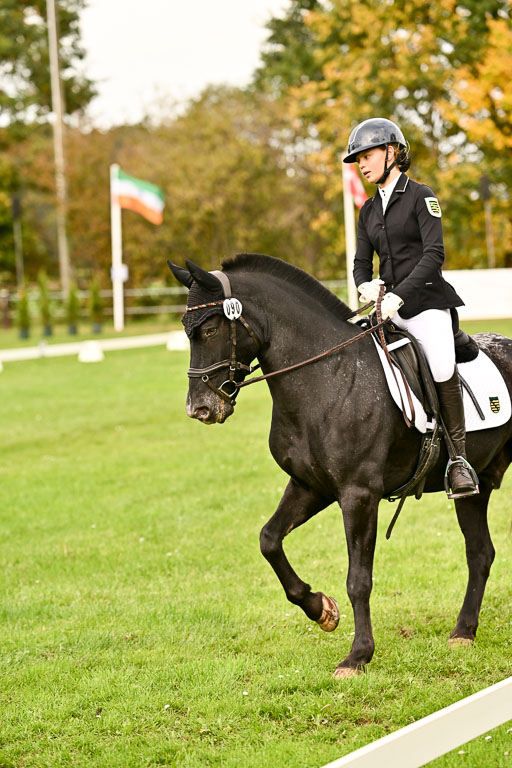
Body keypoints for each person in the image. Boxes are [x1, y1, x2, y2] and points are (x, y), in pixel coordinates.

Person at [343, 117, 478, 498]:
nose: (362, 165)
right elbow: (360, 262)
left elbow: (435, 253)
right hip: (388, 307)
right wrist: (363, 284)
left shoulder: (421, 195)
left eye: (367, 156)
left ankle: (459, 460)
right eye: (358, 160)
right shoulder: (367, 211)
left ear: (392, 152)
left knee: (438, 361)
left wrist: (400, 296)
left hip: (427, 303)